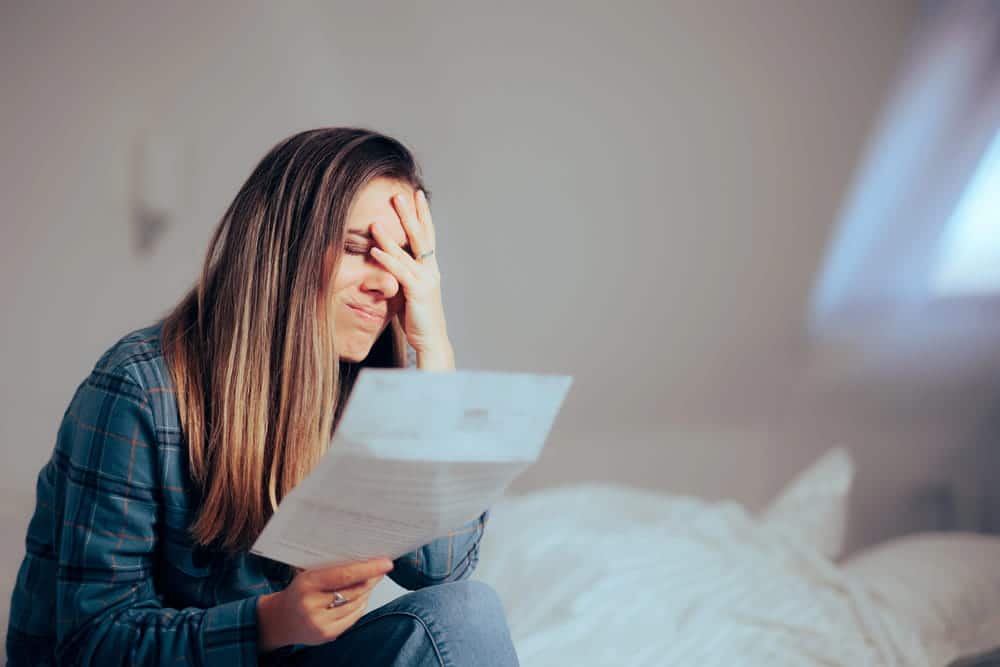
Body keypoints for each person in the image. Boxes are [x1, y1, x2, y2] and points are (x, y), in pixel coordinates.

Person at [5, 128, 519, 666]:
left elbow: (442, 567)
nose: (388, 285)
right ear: (282, 247)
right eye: (356, 249)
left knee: (464, 614)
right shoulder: (137, 388)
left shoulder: (365, 388)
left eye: (402, 260)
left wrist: (434, 353)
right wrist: (273, 621)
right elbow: (91, 641)